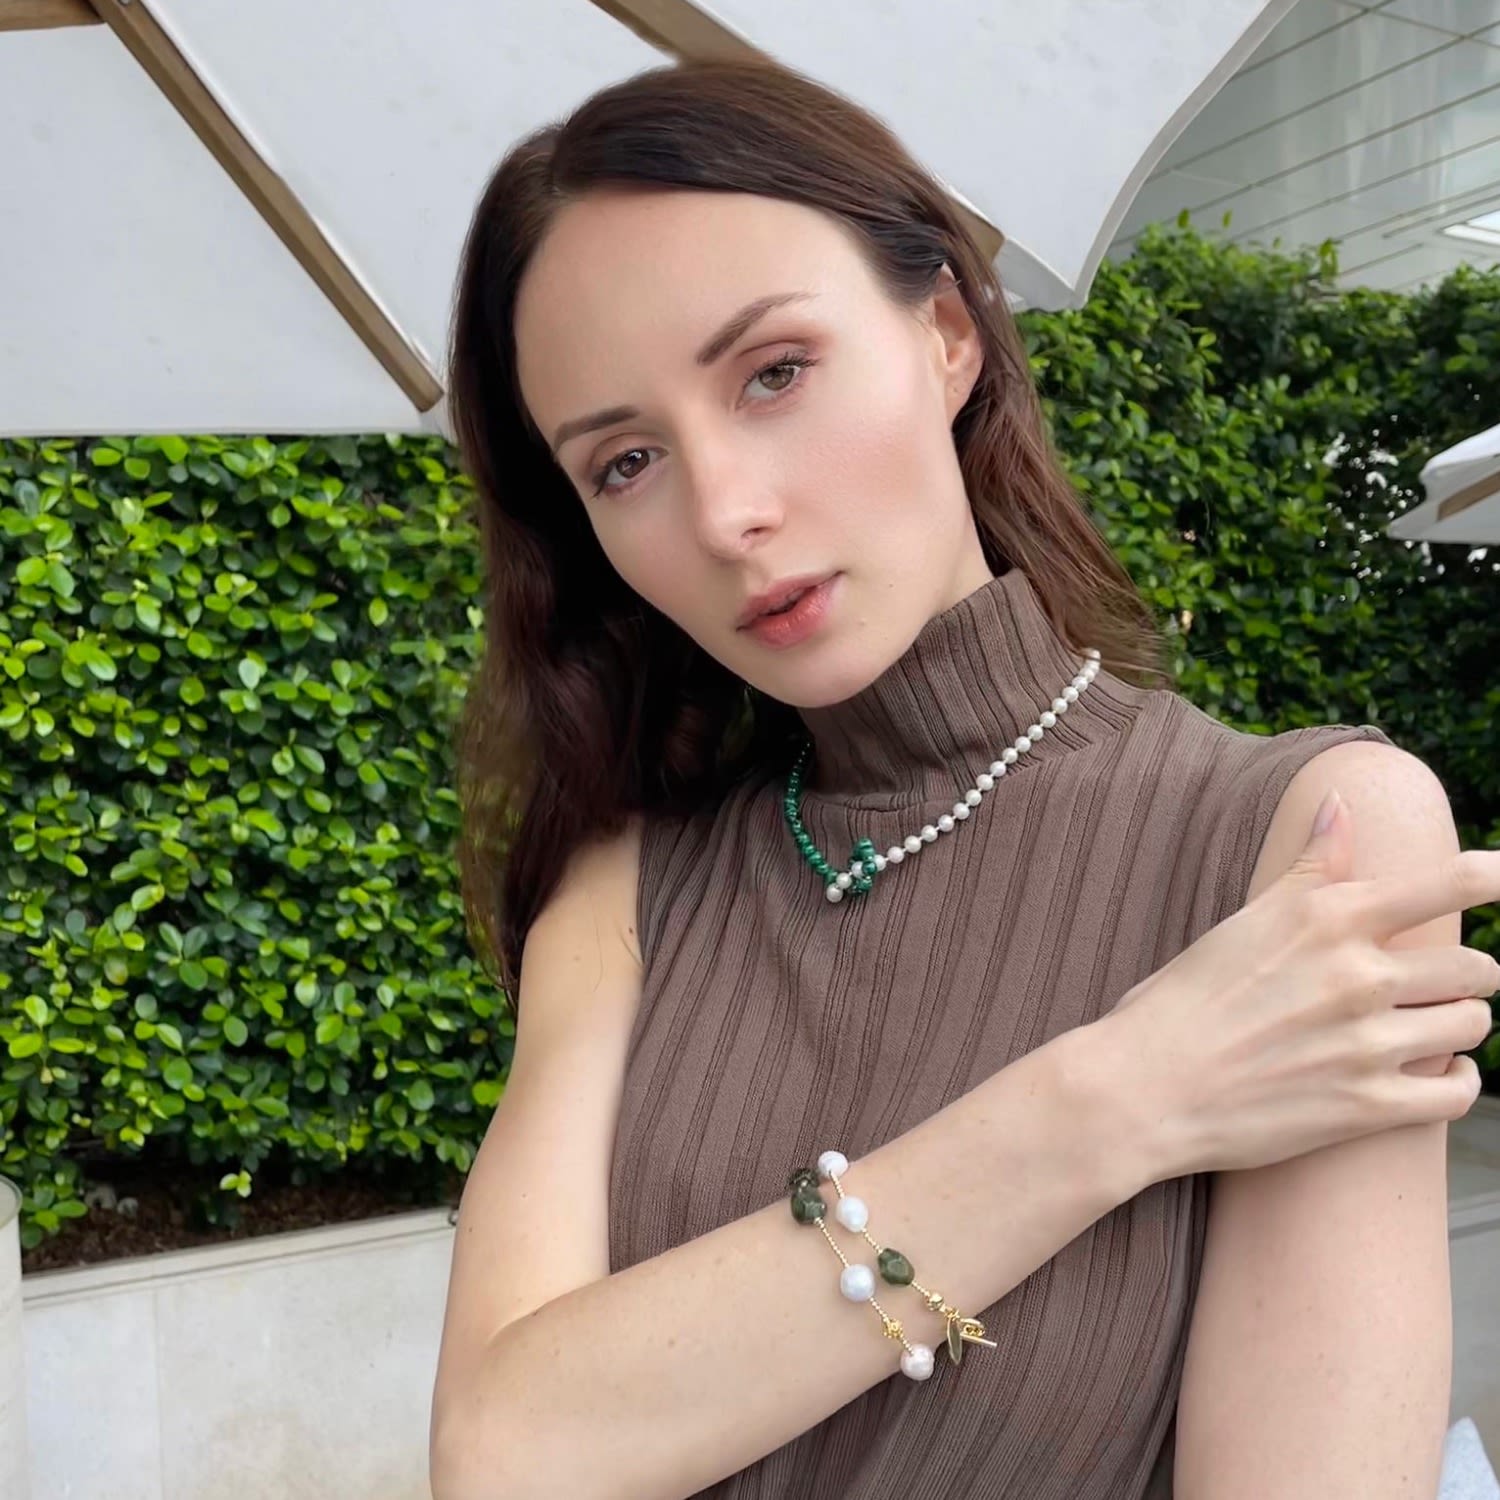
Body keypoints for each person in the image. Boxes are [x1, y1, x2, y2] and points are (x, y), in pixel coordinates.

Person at [426, 55, 1500, 1500]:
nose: (727, 513)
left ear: (944, 334)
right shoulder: (626, 884)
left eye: (774, 373)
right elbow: (500, 1455)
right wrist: (1126, 1088)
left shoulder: (1308, 842)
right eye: (624, 462)